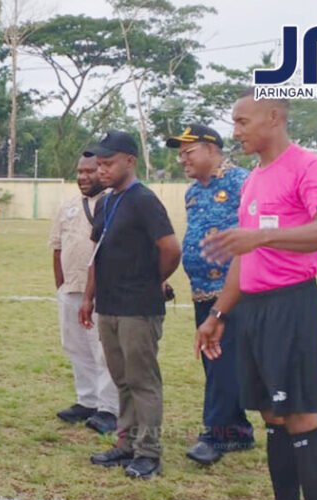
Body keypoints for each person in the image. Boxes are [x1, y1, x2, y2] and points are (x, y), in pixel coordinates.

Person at [195, 90, 317, 500]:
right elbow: (246, 255)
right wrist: (219, 315)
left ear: (274, 118)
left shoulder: (308, 166)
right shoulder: (255, 178)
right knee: (273, 419)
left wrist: (262, 235)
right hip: (253, 311)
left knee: (301, 417)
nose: (235, 131)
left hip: (292, 307)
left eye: (242, 121)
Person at [79, 130, 180, 480]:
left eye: (108, 163)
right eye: (99, 163)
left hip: (138, 307)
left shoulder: (144, 200)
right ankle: (126, 444)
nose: (101, 170)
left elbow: (171, 249)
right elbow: (97, 252)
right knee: (121, 379)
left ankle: (148, 452)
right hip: (108, 305)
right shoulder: (106, 201)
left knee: (142, 380)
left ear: (130, 161)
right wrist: (90, 296)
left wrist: (152, 280)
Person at [166, 124, 254, 466]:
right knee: (213, 359)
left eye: (188, 152)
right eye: (180, 154)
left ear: (212, 150)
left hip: (232, 290)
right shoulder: (192, 192)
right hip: (201, 290)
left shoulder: (242, 182)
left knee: (221, 359)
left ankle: (218, 432)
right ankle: (237, 429)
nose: (181, 159)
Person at [49, 154, 118, 435]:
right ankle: (87, 400)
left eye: (90, 171)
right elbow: (56, 247)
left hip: (102, 291)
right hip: (71, 288)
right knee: (76, 346)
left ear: (103, 171)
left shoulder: (115, 203)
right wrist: (61, 285)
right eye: (79, 171)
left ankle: (109, 408)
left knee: (104, 350)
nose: (83, 176)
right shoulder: (67, 207)